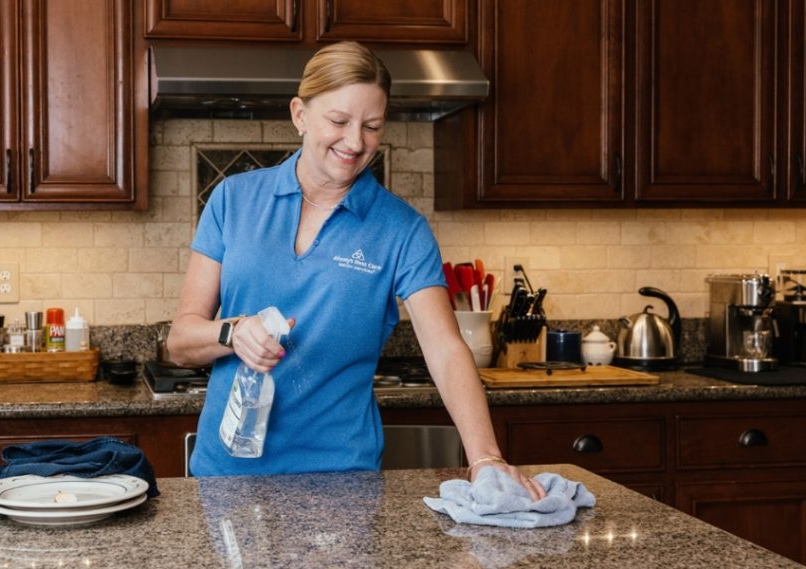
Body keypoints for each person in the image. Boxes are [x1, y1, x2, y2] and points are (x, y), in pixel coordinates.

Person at [167, 41, 545, 500]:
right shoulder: (232, 200)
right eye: (339, 121)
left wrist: (486, 457)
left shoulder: (402, 229)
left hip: (341, 484)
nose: (355, 142)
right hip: (227, 476)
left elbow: (445, 349)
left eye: (371, 126)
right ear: (300, 115)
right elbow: (181, 343)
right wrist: (233, 332)